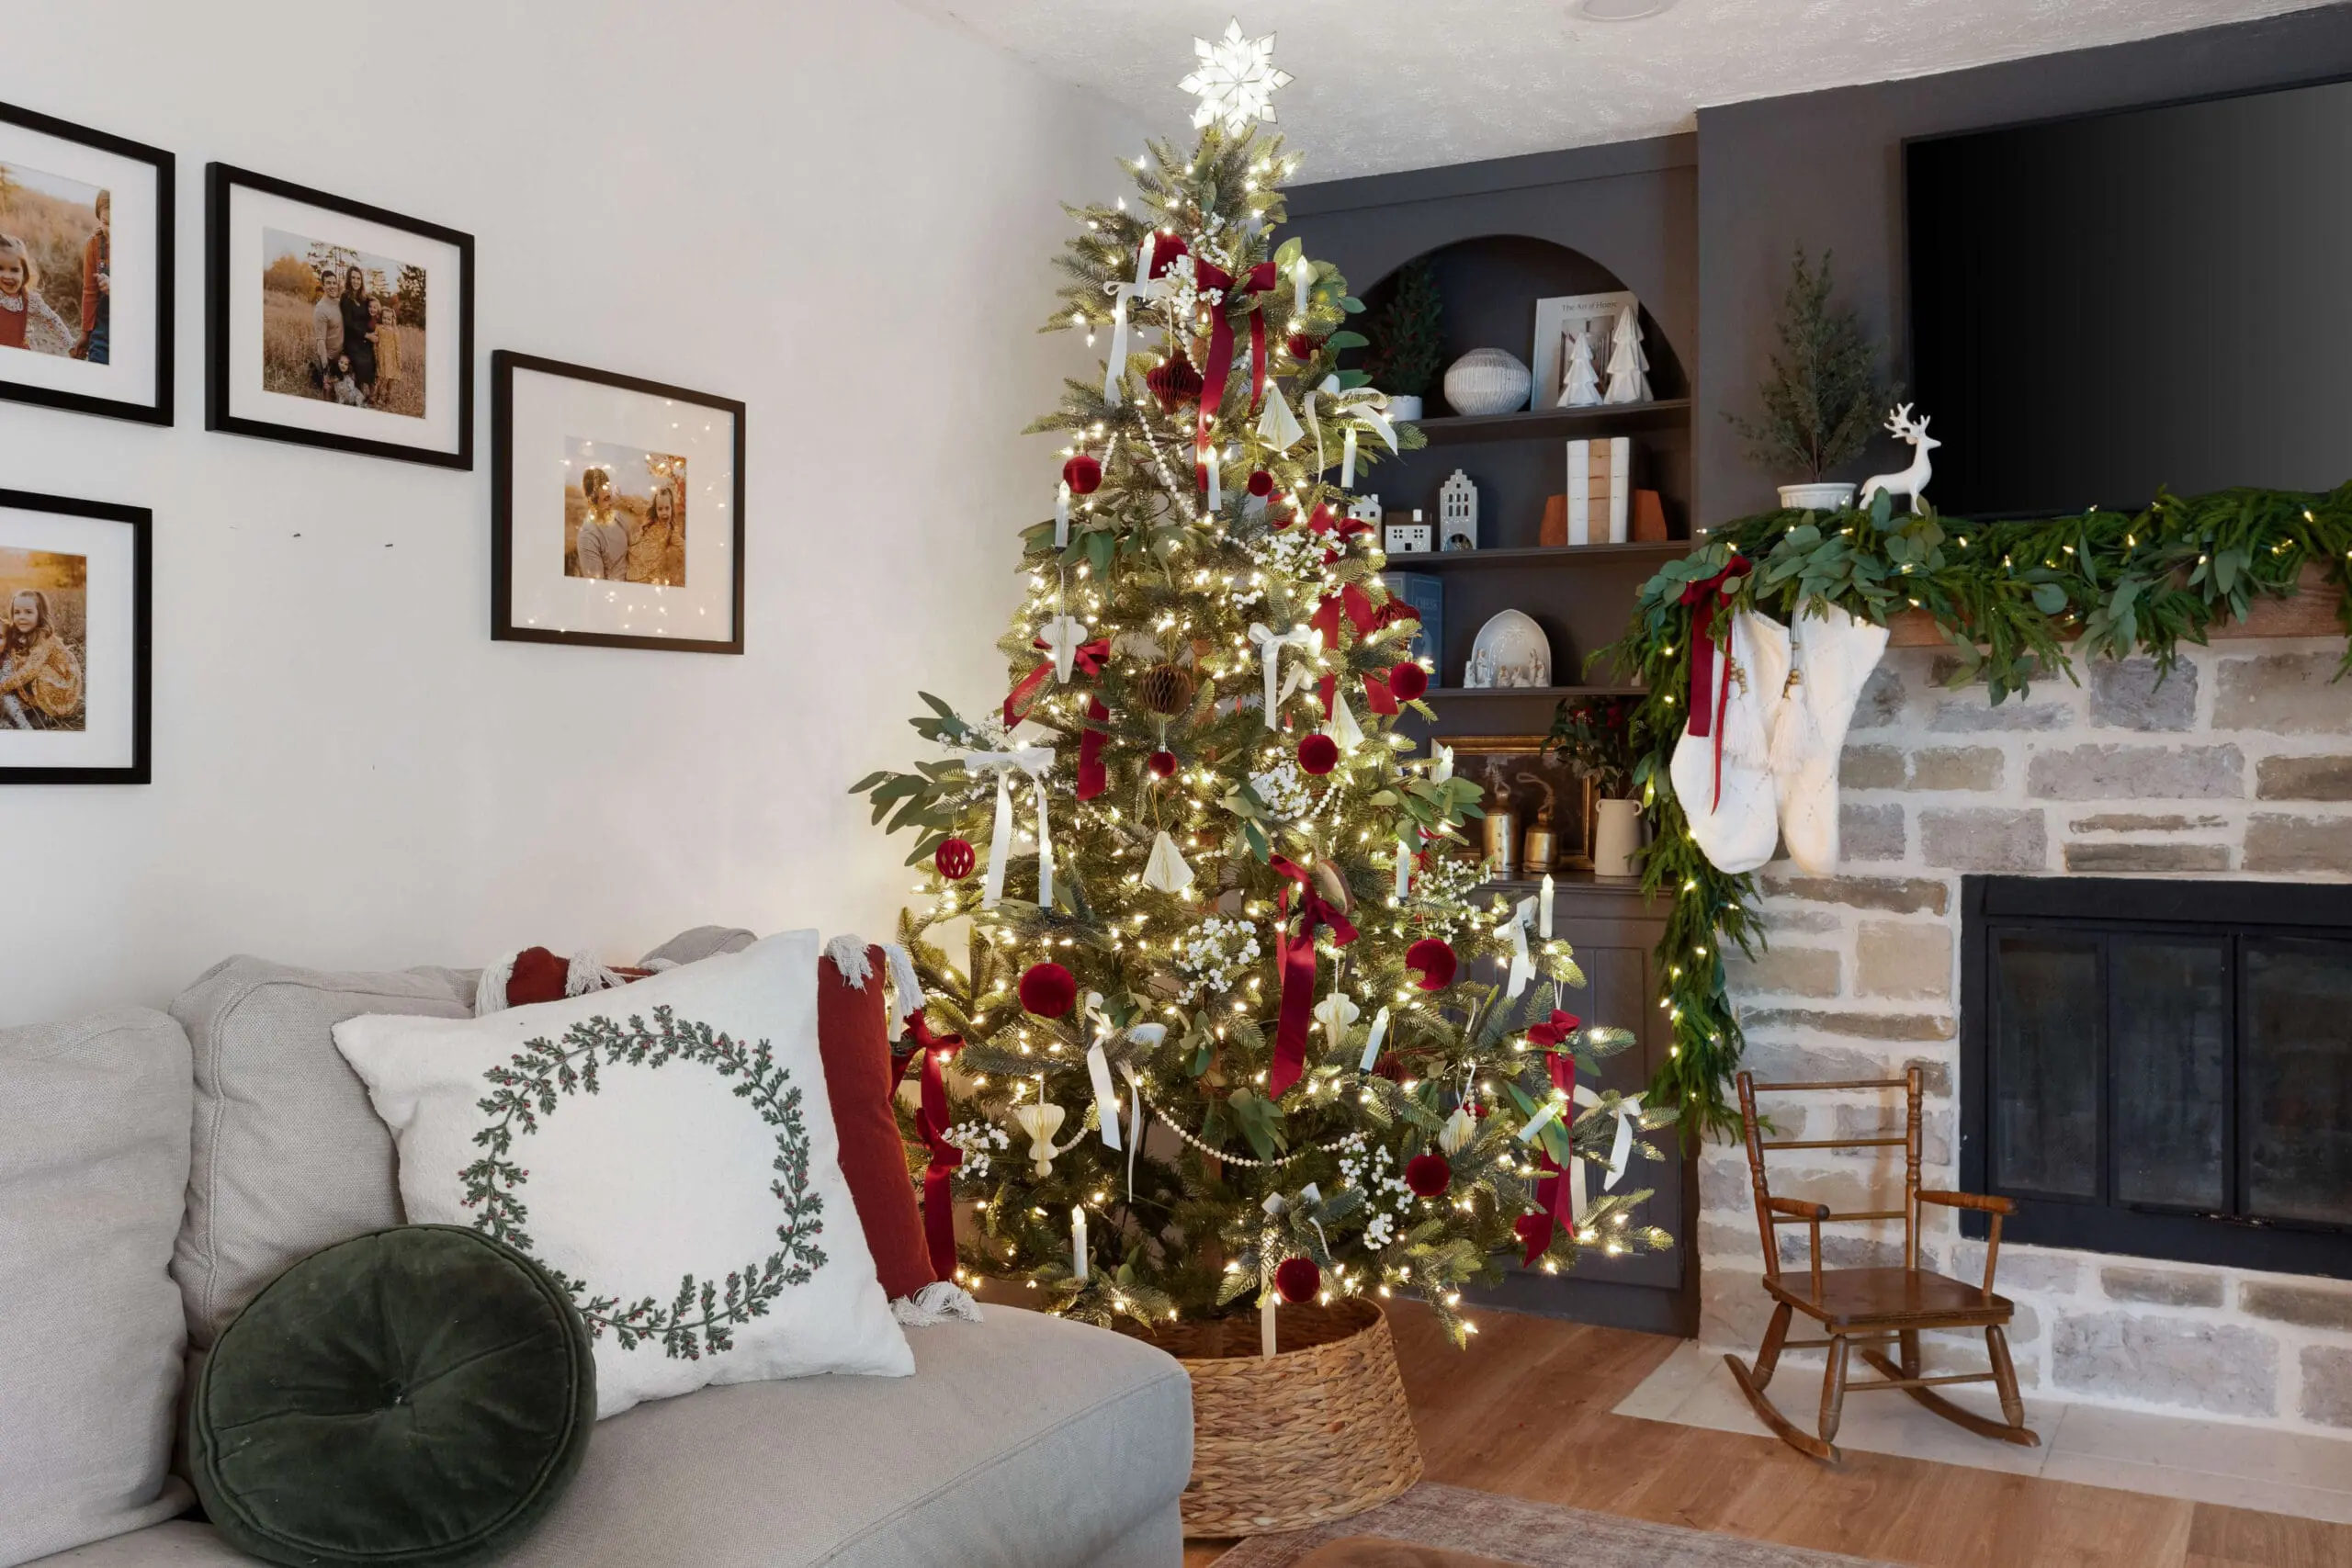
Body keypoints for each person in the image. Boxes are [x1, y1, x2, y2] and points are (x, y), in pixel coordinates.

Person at [0, 589, 85, 730]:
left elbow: (29, 671)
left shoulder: (44, 639)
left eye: (28, 612)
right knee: (17, 662)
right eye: (17, 612)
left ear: (40, 614)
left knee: (37, 671)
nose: (21, 617)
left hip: (64, 688)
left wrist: (2, 687)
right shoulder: (21, 635)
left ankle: (47, 713)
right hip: (48, 683)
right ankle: (31, 706)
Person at [0, 235, 75, 357]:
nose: (7, 276)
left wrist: (71, 345)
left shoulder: (31, 300)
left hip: (20, 357)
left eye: (14, 270)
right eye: (0, 269)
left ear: (24, 273)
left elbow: (52, 320)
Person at [72, 190, 109, 364]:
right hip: (102, 332)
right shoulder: (94, 244)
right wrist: (85, 334)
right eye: (106, 223)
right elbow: (90, 292)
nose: (111, 231)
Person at [572, 467, 629, 580]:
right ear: (593, 503)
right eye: (606, 499)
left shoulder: (618, 517)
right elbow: (597, 585)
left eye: (610, 495)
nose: (612, 502)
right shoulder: (587, 537)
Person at [627, 479, 682, 585]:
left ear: (671, 508)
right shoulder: (652, 521)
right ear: (656, 510)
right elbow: (636, 505)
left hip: (652, 569)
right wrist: (622, 498)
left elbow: (682, 545)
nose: (664, 513)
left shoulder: (672, 531)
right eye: (660, 509)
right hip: (639, 557)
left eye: (667, 508)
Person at [339, 265, 377, 405]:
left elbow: (374, 307)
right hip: (352, 339)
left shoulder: (364, 298)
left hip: (364, 339)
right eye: (353, 278)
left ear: (362, 280)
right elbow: (348, 323)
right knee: (360, 363)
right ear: (349, 279)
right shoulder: (345, 297)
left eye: (358, 278)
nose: (356, 281)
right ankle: (357, 397)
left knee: (372, 361)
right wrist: (367, 335)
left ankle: (370, 396)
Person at [311, 266, 345, 392]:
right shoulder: (321, 309)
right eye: (328, 283)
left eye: (334, 283)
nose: (332, 286)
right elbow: (321, 342)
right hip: (330, 360)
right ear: (323, 286)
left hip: (343, 357)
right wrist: (325, 372)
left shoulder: (339, 303)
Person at [370, 297, 402, 411]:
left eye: (389, 319)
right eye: (384, 318)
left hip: (392, 360)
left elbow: (398, 348)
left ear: (392, 319)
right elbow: (374, 342)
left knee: (390, 380)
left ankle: (388, 398)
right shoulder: (379, 328)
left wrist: (399, 361)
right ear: (381, 318)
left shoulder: (395, 331)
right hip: (382, 358)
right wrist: (376, 354)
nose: (386, 321)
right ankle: (376, 397)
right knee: (379, 379)